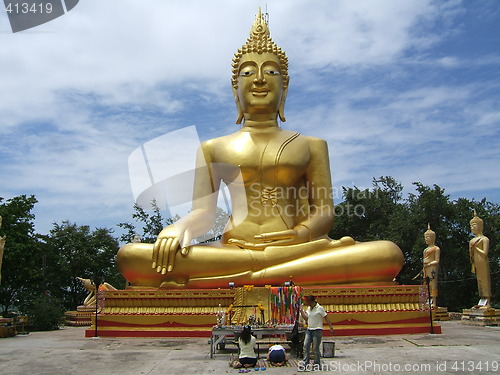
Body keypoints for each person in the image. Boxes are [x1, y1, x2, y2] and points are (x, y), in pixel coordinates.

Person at [117, 8, 404, 289]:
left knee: (387, 254)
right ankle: (273, 276)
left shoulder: (311, 146)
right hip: (233, 250)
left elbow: (324, 213)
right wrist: (176, 229)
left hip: (297, 249)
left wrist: (299, 234)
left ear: (285, 87)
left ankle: (244, 280)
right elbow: (203, 215)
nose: (259, 79)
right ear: (234, 88)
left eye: (270, 71)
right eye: (247, 72)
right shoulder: (213, 148)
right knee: (132, 257)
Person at [299, 295, 333, 367]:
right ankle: (305, 362)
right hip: (309, 329)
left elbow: (326, 317)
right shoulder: (309, 309)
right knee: (306, 345)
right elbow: (306, 318)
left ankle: (317, 363)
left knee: (315, 348)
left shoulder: (320, 308)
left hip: (317, 330)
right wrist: (301, 311)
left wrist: (331, 327)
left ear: (312, 301)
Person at [469, 210, 491, 308]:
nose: (472, 228)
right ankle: (482, 299)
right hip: (476, 262)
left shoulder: (484, 239)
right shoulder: (472, 240)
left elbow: (485, 253)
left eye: (474, 225)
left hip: (482, 261)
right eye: (471, 226)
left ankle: (488, 301)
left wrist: (476, 248)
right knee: (479, 281)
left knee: (485, 279)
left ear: (480, 226)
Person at [422, 224, 440, 308]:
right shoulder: (425, 250)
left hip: (432, 267)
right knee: (425, 284)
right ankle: (425, 300)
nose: (426, 239)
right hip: (425, 268)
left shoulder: (436, 248)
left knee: (433, 284)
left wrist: (430, 263)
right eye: (425, 237)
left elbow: (437, 260)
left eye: (428, 237)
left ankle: (434, 302)